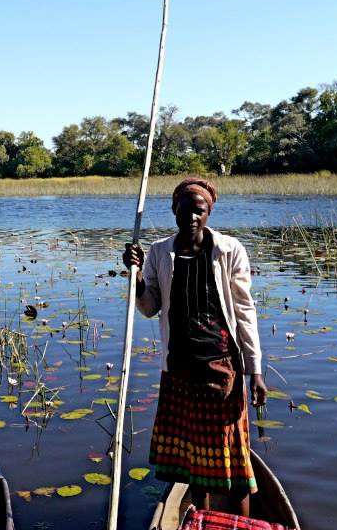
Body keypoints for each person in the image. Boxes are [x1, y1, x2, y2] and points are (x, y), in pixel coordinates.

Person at [122, 176, 267, 517]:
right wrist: (138, 276)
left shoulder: (229, 250)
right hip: (180, 371)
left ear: (208, 213)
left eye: (198, 211)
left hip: (221, 369)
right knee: (196, 465)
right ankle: (200, 521)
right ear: (174, 211)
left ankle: (236, 523)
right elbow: (150, 307)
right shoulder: (160, 251)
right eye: (185, 211)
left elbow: (245, 311)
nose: (191, 218)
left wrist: (255, 370)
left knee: (233, 466)